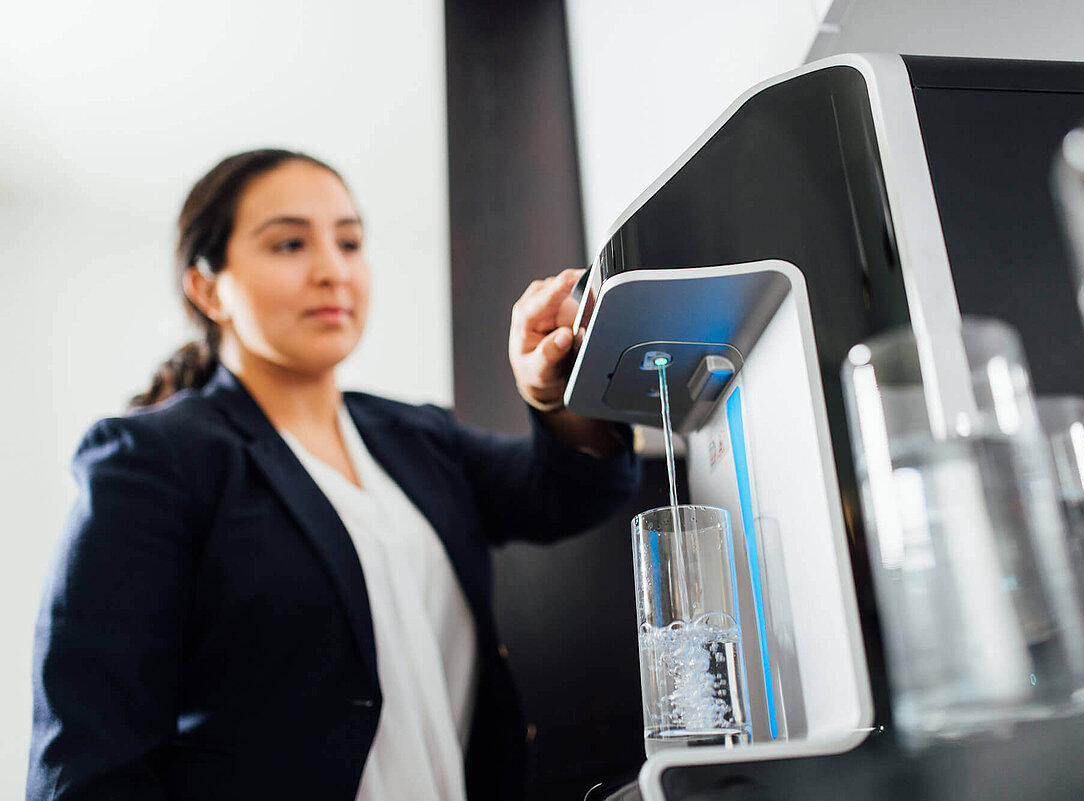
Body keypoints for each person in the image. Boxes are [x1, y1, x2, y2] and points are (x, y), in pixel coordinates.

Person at [26, 149, 639, 801]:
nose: (333, 270)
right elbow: (86, 758)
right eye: (289, 243)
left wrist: (551, 394)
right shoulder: (152, 458)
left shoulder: (417, 438)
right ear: (207, 287)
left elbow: (570, 493)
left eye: (350, 241)